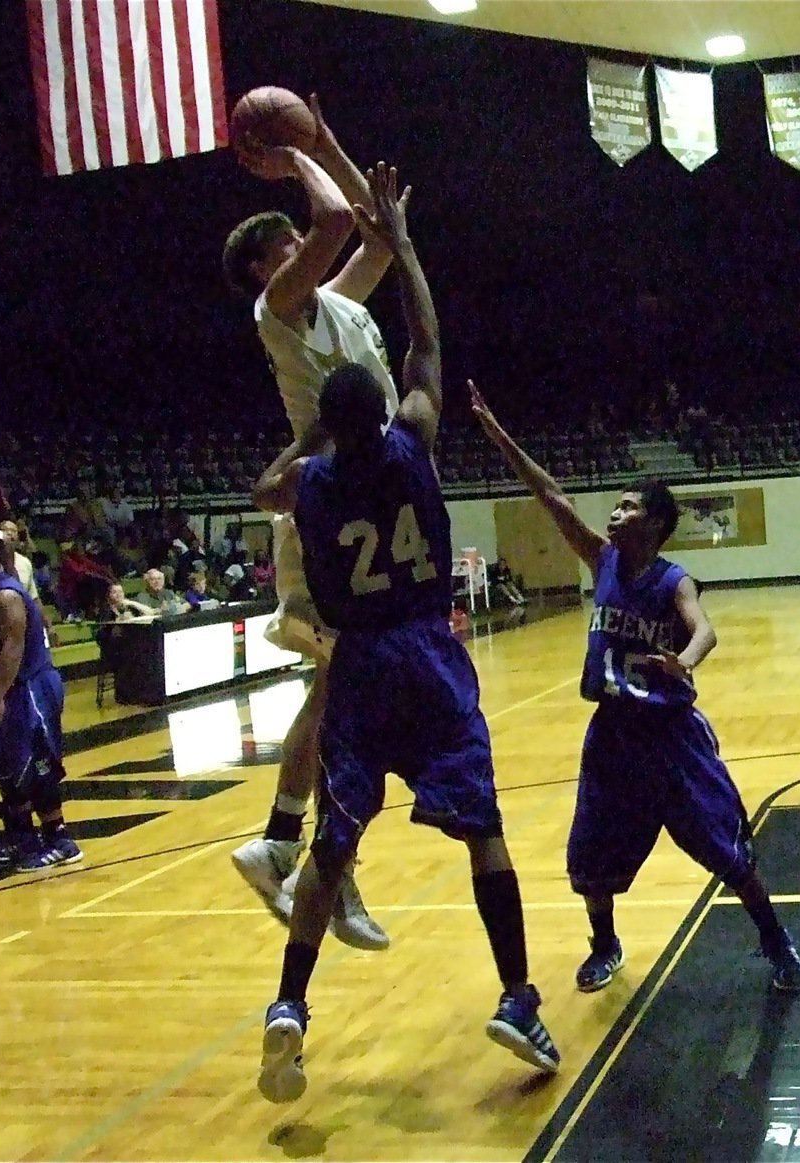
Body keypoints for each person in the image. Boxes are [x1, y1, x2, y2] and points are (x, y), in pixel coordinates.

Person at [250, 162, 559, 1104]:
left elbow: (265, 489)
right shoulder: (415, 436)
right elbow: (426, 341)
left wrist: (310, 443)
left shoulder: (313, 480)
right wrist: (407, 243)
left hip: (360, 665)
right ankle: (516, 995)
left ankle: (289, 1007)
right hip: (427, 653)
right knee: (485, 832)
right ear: (381, 410)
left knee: (335, 847)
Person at [469, 383, 800, 996]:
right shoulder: (601, 561)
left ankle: (773, 935)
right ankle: (605, 945)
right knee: (592, 858)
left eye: (627, 506)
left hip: (671, 738)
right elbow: (550, 496)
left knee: (727, 850)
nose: (615, 512)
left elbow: (704, 628)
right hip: (613, 736)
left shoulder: (672, 579)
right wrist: (497, 434)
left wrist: (684, 660)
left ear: (653, 522)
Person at [222, 94, 403, 950]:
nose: (302, 242)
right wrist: (288, 151)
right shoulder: (279, 309)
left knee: (340, 693)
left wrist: (323, 132)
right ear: (266, 268)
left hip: (363, 501)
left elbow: (375, 232)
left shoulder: (337, 302)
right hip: (326, 508)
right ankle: (308, 856)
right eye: (284, 246)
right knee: (344, 692)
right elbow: (333, 217)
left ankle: (292, 848)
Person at [0, 522, 82, 870]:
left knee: (37, 764)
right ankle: (25, 838)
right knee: (10, 766)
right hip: (16, 687)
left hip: (29, 687)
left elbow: (13, 646)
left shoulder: (5, 595)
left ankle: (60, 840)